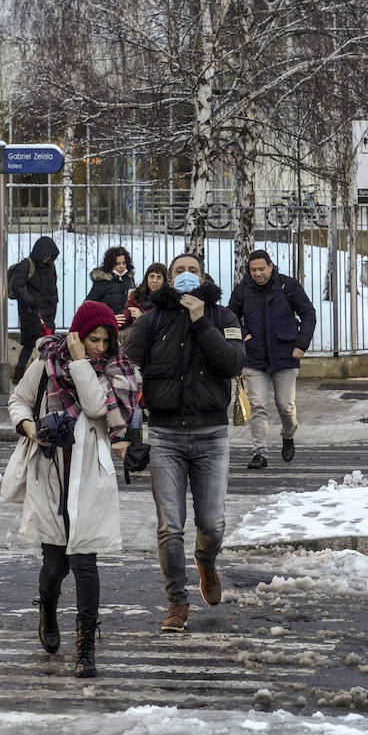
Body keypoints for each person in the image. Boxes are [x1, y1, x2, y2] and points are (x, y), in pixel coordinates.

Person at [10, 301, 140, 678]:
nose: (100, 346)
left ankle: (85, 648)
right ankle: (47, 609)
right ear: (78, 334)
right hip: (50, 471)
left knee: (85, 562)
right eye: (92, 339)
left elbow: (97, 406)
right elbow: (18, 400)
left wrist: (82, 362)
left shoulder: (117, 371)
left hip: (89, 474)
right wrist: (29, 427)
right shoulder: (45, 363)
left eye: (105, 340)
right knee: (54, 565)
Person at [124, 253, 244, 634]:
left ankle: (206, 562)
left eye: (192, 271)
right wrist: (129, 427)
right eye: (180, 272)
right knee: (169, 526)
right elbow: (126, 370)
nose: (186, 276)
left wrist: (199, 320)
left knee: (212, 523)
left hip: (212, 435)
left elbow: (233, 363)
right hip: (166, 436)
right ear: (168, 280)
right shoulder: (152, 319)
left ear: (203, 277)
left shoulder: (223, 317)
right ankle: (177, 601)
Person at [227, 249, 317, 469]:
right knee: (258, 405)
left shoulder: (288, 286)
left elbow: (308, 314)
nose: (257, 273)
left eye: (261, 269)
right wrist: (243, 334)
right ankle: (260, 453)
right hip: (254, 357)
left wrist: (301, 345)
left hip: (285, 354)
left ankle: (288, 434)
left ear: (271, 266)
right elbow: (229, 317)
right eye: (253, 269)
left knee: (285, 406)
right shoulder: (243, 290)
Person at [11, 236, 60, 382]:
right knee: (29, 345)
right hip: (31, 313)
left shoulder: (50, 266)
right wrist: (30, 301)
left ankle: (45, 375)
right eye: (46, 255)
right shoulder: (27, 264)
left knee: (48, 345)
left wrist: (54, 303)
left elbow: (53, 288)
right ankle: (19, 375)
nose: (48, 258)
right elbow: (17, 286)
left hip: (48, 312)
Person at [84, 246, 135, 328]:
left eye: (124, 263)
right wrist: (108, 318)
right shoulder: (102, 282)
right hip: (107, 326)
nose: (121, 266)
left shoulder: (129, 279)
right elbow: (87, 307)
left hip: (127, 326)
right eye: (117, 263)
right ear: (110, 264)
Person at [121, 262, 169, 331]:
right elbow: (126, 318)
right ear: (147, 278)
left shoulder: (168, 300)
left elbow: (164, 324)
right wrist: (115, 320)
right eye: (152, 276)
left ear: (164, 281)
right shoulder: (135, 295)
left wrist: (142, 317)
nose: (154, 281)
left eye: (158, 277)